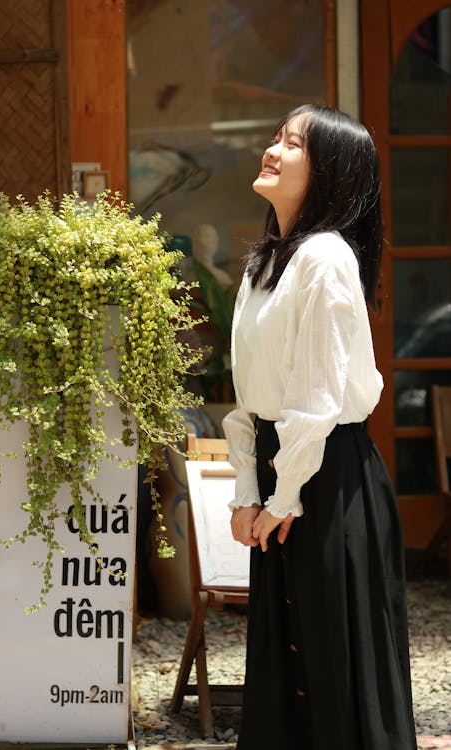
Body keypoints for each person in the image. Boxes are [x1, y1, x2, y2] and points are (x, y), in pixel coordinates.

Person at [222, 104, 417, 750]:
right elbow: (249, 395)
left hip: (329, 481)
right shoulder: (263, 265)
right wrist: (247, 491)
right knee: (286, 663)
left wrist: (281, 498)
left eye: (293, 143)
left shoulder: (327, 258)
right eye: (276, 135)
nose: (274, 149)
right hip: (288, 475)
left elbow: (316, 399)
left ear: (328, 170)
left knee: (337, 667)